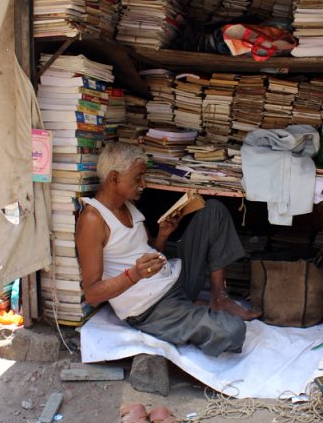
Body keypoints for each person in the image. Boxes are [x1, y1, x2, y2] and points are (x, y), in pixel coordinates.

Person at [76, 142, 261, 357]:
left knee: (214, 212)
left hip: (174, 277)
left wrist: (163, 235)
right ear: (115, 177)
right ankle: (192, 310)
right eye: (138, 178)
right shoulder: (93, 219)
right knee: (233, 330)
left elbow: (150, 252)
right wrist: (134, 275)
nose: (143, 184)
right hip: (153, 307)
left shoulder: (128, 206)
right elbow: (92, 294)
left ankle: (219, 298)